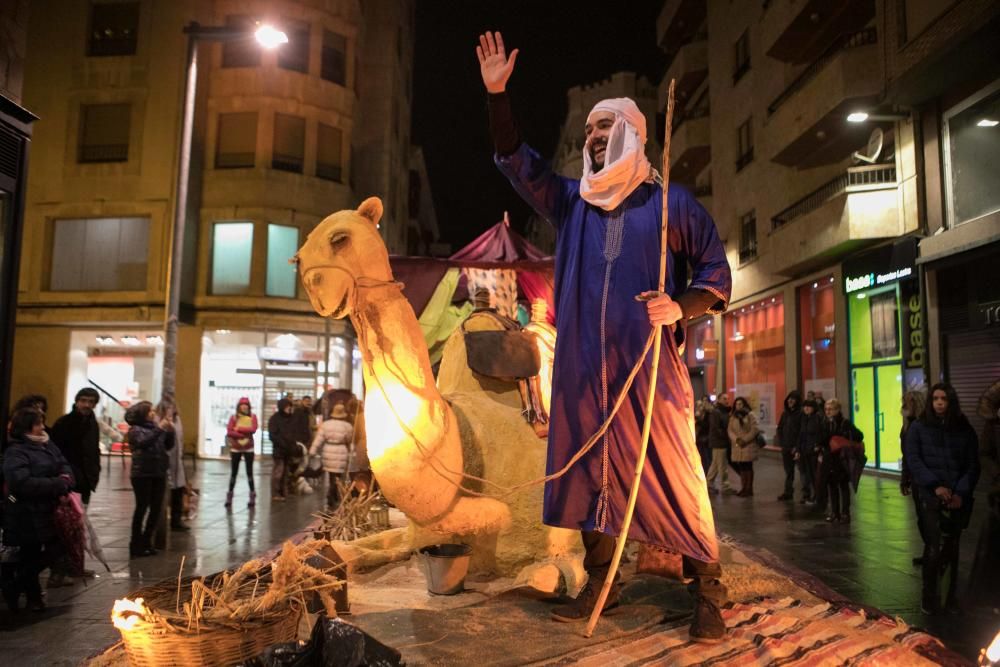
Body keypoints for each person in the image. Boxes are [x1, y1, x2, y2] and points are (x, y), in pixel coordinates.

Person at [477, 31, 733, 641]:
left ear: (633, 134)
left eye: (604, 128)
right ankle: (602, 580)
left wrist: (683, 306)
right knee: (587, 474)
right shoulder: (572, 202)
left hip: (649, 370)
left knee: (673, 473)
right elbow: (519, 162)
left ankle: (709, 590)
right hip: (580, 370)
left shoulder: (672, 206)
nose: (592, 138)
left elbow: (717, 275)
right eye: (589, 131)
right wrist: (497, 97)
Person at [904, 383, 979, 614]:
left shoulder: (963, 429)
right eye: (935, 398)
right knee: (933, 546)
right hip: (930, 495)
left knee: (952, 547)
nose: (939, 402)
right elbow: (914, 460)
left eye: (943, 399)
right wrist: (934, 486)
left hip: (956, 496)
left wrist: (960, 492)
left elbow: (972, 464)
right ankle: (930, 595)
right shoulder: (919, 427)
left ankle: (950, 597)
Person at [1, 408, 73, 612]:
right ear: (26, 427)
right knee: (30, 555)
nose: (43, 427)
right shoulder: (16, 451)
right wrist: (57, 483)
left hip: (48, 510)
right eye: (38, 423)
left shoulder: (47, 444)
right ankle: (29, 596)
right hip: (25, 512)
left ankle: (15, 589)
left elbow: (64, 465)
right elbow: (20, 482)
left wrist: (66, 478)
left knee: (55, 551)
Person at [125, 401, 174, 557]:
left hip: (158, 472)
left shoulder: (155, 428)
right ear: (143, 414)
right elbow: (143, 443)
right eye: (150, 411)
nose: (153, 413)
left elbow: (167, 446)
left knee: (156, 508)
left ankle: (147, 541)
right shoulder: (135, 430)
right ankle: (135, 544)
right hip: (142, 474)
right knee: (142, 508)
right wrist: (160, 429)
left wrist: (170, 431)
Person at [50, 388, 103, 507]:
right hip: (68, 476)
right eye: (83, 401)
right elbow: (55, 450)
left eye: (91, 402)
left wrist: (95, 470)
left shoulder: (93, 424)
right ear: (77, 401)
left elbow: (94, 449)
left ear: (95, 404)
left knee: (82, 512)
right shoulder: (64, 422)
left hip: (87, 478)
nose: (86, 405)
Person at [821, 398, 864, 524]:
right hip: (829, 458)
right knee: (831, 486)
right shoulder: (824, 423)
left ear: (838, 410)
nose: (827, 412)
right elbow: (821, 438)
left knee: (843, 486)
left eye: (830, 409)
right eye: (826, 409)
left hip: (842, 458)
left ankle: (845, 513)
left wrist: (843, 437)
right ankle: (835, 512)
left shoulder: (845, 423)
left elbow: (859, 435)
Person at [899, 390, 927, 565]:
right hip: (914, 476)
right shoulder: (907, 425)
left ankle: (934, 551)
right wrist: (905, 477)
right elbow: (906, 453)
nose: (903, 405)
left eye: (907, 402)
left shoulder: (923, 424)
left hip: (925, 476)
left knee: (928, 516)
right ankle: (930, 549)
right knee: (921, 517)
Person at [310, 403, 354, 510]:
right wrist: (352, 453)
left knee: (331, 477)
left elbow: (319, 439)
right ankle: (334, 497)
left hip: (328, 450)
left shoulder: (326, 424)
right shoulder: (347, 426)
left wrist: (312, 451)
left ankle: (331, 497)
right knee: (339, 477)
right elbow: (349, 440)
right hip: (341, 451)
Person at [158, 402, 188, 532]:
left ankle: (176, 520)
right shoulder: (159, 420)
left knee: (178, 491)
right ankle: (159, 522)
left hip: (177, 461)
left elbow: (180, 439)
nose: (172, 409)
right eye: (169, 407)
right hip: (164, 461)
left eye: (173, 406)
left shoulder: (178, 420)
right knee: (162, 493)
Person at [225, 397, 258, 509]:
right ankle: (229, 496)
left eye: (246, 405)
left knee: (250, 473)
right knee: (234, 473)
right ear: (239, 406)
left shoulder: (253, 417)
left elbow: (253, 429)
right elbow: (229, 431)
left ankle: (252, 496)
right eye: (242, 405)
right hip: (236, 448)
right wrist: (241, 434)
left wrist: (238, 428)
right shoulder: (233, 417)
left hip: (249, 448)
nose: (244, 407)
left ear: (249, 407)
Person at [727, 397, 760, 497]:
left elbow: (754, 429)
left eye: (740, 404)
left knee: (748, 467)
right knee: (741, 467)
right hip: (737, 446)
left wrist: (744, 440)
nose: (738, 406)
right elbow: (730, 430)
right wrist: (736, 439)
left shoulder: (750, 415)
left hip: (748, 445)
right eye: (737, 404)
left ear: (744, 404)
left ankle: (749, 489)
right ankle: (743, 488)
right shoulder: (733, 416)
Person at [775, 391, 802, 501]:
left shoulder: (800, 413)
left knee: (803, 471)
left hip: (797, 447)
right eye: (789, 398)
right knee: (788, 471)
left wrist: (797, 446)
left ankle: (808, 493)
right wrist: (782, 442)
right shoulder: (785, 414)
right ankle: (788, 491)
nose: (790, 401)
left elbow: (801, 431)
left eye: (793, 399)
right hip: (786, 447)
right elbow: (780, 428)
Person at [706, 393, 735, 495]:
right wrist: (726, 436)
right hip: (719, 442)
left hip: (721, 442)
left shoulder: (724, 412)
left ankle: (709, 484)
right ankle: (725, 486)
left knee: (715, 464)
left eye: (727, 398)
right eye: (724, 398)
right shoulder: (717, 412)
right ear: (718, 400)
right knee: (722, 465)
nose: (726, 400)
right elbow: (716, 428)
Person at [268, 398, 296, 501]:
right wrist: (283, 443)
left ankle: (283, 492)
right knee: (278, 472)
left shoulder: (291, 418)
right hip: (279, 450)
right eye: (287, 406)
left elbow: (293, 433)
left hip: (288, 451)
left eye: (290, 406)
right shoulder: (275, 419)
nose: (289, 408)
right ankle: (275, 493)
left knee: (286, 473)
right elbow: (273, 435)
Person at [797, 399, 823, 504]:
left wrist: (817, 445)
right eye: (804, 406)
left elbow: (819, 434)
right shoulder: (804, 419)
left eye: (809, 406)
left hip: (813, 451)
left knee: (815, 475)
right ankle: (814, 495)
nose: (806, 408)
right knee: (809, 475)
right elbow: (801, 435)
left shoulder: (817, 418)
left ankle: (818, 496)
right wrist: (798, 449)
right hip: (805, 451)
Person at [694, 397, 712, 475]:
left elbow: (707, 425)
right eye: (698, 405)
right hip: (698, 440)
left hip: (705, 439)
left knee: (707, 459)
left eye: (701, 405)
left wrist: (698, 420)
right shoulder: (695, 414)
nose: (700, 407)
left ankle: (707, 474)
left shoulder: (707, 414)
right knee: (700, 458)